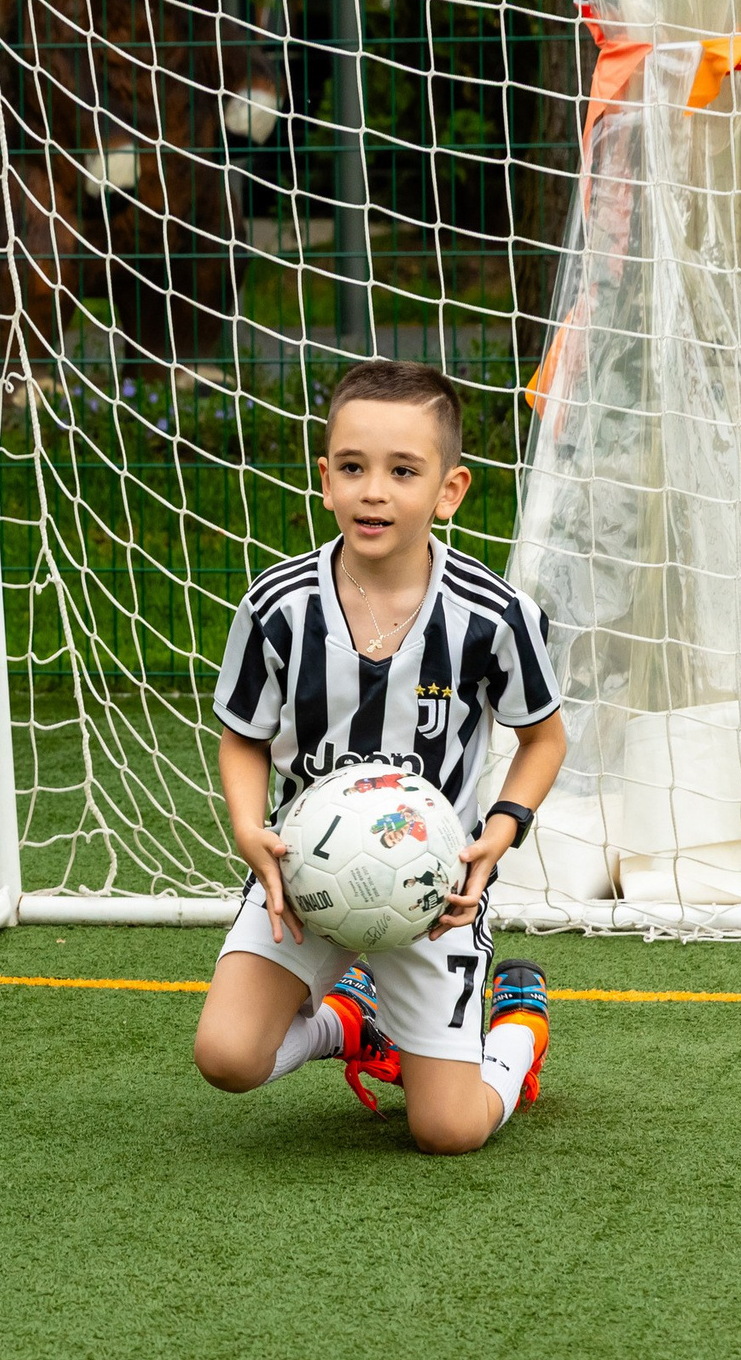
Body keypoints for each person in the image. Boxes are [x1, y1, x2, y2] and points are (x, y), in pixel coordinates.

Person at [192, 359, 570, 1154]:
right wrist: (247, 827)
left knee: (448, 1130)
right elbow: (243, 736)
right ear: (324, 479)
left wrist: (501, 830)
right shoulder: (276, 607)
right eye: (355, 468)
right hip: (304, 881)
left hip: (435, 899)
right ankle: (350, 1019)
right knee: (226, 1058)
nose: (375, 491)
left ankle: (519, 1024)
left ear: (449, 490)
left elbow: (544, 737)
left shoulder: (493, 615)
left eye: (403, 471)